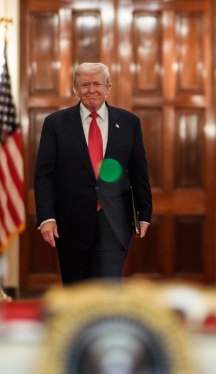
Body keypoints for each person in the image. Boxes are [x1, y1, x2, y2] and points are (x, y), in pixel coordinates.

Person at [34, 62, 153, 284]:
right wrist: (46, 217)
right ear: (75, 89)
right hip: (70, 223)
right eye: (85, 84)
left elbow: (139, 172)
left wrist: (144, 213)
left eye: (97, 84)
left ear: (108, 86)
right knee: (76, 290)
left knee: (107, 289)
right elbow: (44, 176)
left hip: (114, 220)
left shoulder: (129, 123)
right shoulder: (55, 124)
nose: (91, 90)